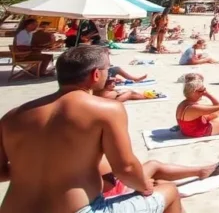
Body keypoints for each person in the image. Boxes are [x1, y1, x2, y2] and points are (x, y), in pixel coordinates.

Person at [0, 45, 184, 212]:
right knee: (169, 190)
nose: (110, 74)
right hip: (76, 209)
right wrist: (145, 186)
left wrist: (31, 170)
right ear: (96, 74)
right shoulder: (106, 109)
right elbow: (125, 169)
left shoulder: (11, 117)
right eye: (108, 69)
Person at [97, 155, 219, 201]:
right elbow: (105, 187)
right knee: (163, 185)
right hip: (113, 193)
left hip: (116, 184)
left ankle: (201, 171)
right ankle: (200, 171)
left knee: (153, 165)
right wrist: (140, 184)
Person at [96, 78, 162, 103]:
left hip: (109, 97)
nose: (114, 84)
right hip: (112, 101)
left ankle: (146, 95)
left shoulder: (99, 86)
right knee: (130, 93)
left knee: (129, 92)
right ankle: (147, 96)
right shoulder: (106, 92)